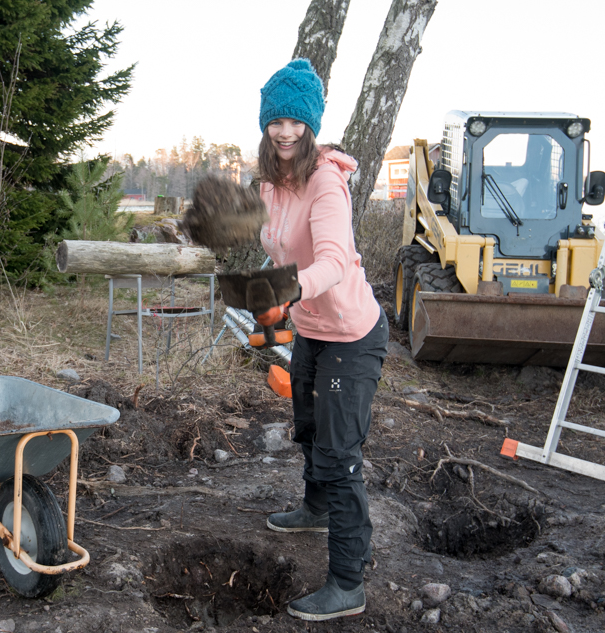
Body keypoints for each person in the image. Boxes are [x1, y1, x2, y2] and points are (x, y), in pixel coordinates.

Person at [253, 58, 389, 621]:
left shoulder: (325, 181)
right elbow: (279, 244)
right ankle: (313, 510)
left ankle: (347, 583)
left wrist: (285, 290)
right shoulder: (270, 182)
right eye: (276, 120)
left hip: (352, 335)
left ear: (311, 125)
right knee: (307, 428)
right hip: (310, 327)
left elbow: (333, 260)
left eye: (296, 121)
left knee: (339, 455)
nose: (286, 132)